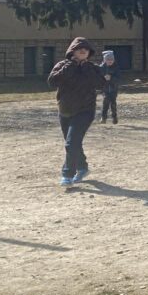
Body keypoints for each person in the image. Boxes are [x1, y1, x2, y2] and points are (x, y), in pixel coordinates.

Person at [47, 37, 105, 186]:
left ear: (89, 53)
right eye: (79, 49)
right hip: (65, 110)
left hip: (85, 111)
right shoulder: (63, 65)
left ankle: (67, 175)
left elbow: (101, 84)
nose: (83, 51)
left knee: (71, 143)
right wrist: (71, 65)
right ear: (72, 51)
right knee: (73, 143)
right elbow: (52, 81)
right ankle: (83, 167)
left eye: (86, 49)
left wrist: (85, 68)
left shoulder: (92, 68)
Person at [99, 49, 121, 124]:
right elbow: (98, 77)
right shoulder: (101, 68)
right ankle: (103, 117)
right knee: (105, 102)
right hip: (105, 88)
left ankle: (114, 117)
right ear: (104, 60)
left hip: (114, 88)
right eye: (108, 59)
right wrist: (103, 79)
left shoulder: (116, 68)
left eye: (112, 59)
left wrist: (111, 78)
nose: (110, 61)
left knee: (113, 103)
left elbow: (118, 78)